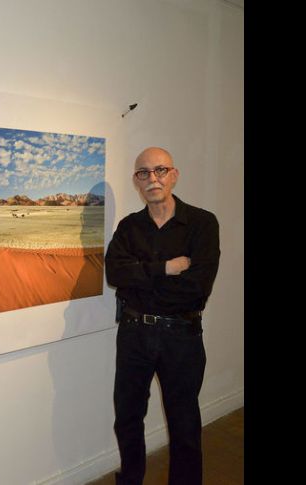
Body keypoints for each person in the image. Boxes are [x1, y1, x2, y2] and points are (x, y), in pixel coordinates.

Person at [104, 147, 220, 485]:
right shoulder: (129, 227)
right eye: (144, 173)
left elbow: (196, 287)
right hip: (134, 335)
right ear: (136, 181)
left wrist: (140, 278)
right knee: (127, 418)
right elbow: (115, 273)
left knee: (184, 424)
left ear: (174, 175)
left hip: (181, 337)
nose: (152, 178)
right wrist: (165, 268)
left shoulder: (202, 223)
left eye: (160, 170)